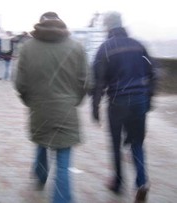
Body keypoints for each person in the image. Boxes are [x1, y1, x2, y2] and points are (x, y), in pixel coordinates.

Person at [15, 12, 89, 203]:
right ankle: (62, 199)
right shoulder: (77, 47)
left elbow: (20, 83)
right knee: (63, 164)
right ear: (60, 23)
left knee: (42, 140)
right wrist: (74, 100)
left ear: (40, 24)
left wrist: (30, 101)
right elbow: (87, 82)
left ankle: (40, 175)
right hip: (66, 110)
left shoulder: (27, 48)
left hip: (39, 108)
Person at [91, 11, 156, 202]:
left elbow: (98, 81)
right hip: (139, 100)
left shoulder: (104, 48)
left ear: (107, 27)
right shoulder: (138, 45)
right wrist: (148, 99)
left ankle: (118, 182)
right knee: (137, 142)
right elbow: (153, 73)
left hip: (117, 102)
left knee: (116, 143)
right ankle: (142, 182)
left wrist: (94, 108)